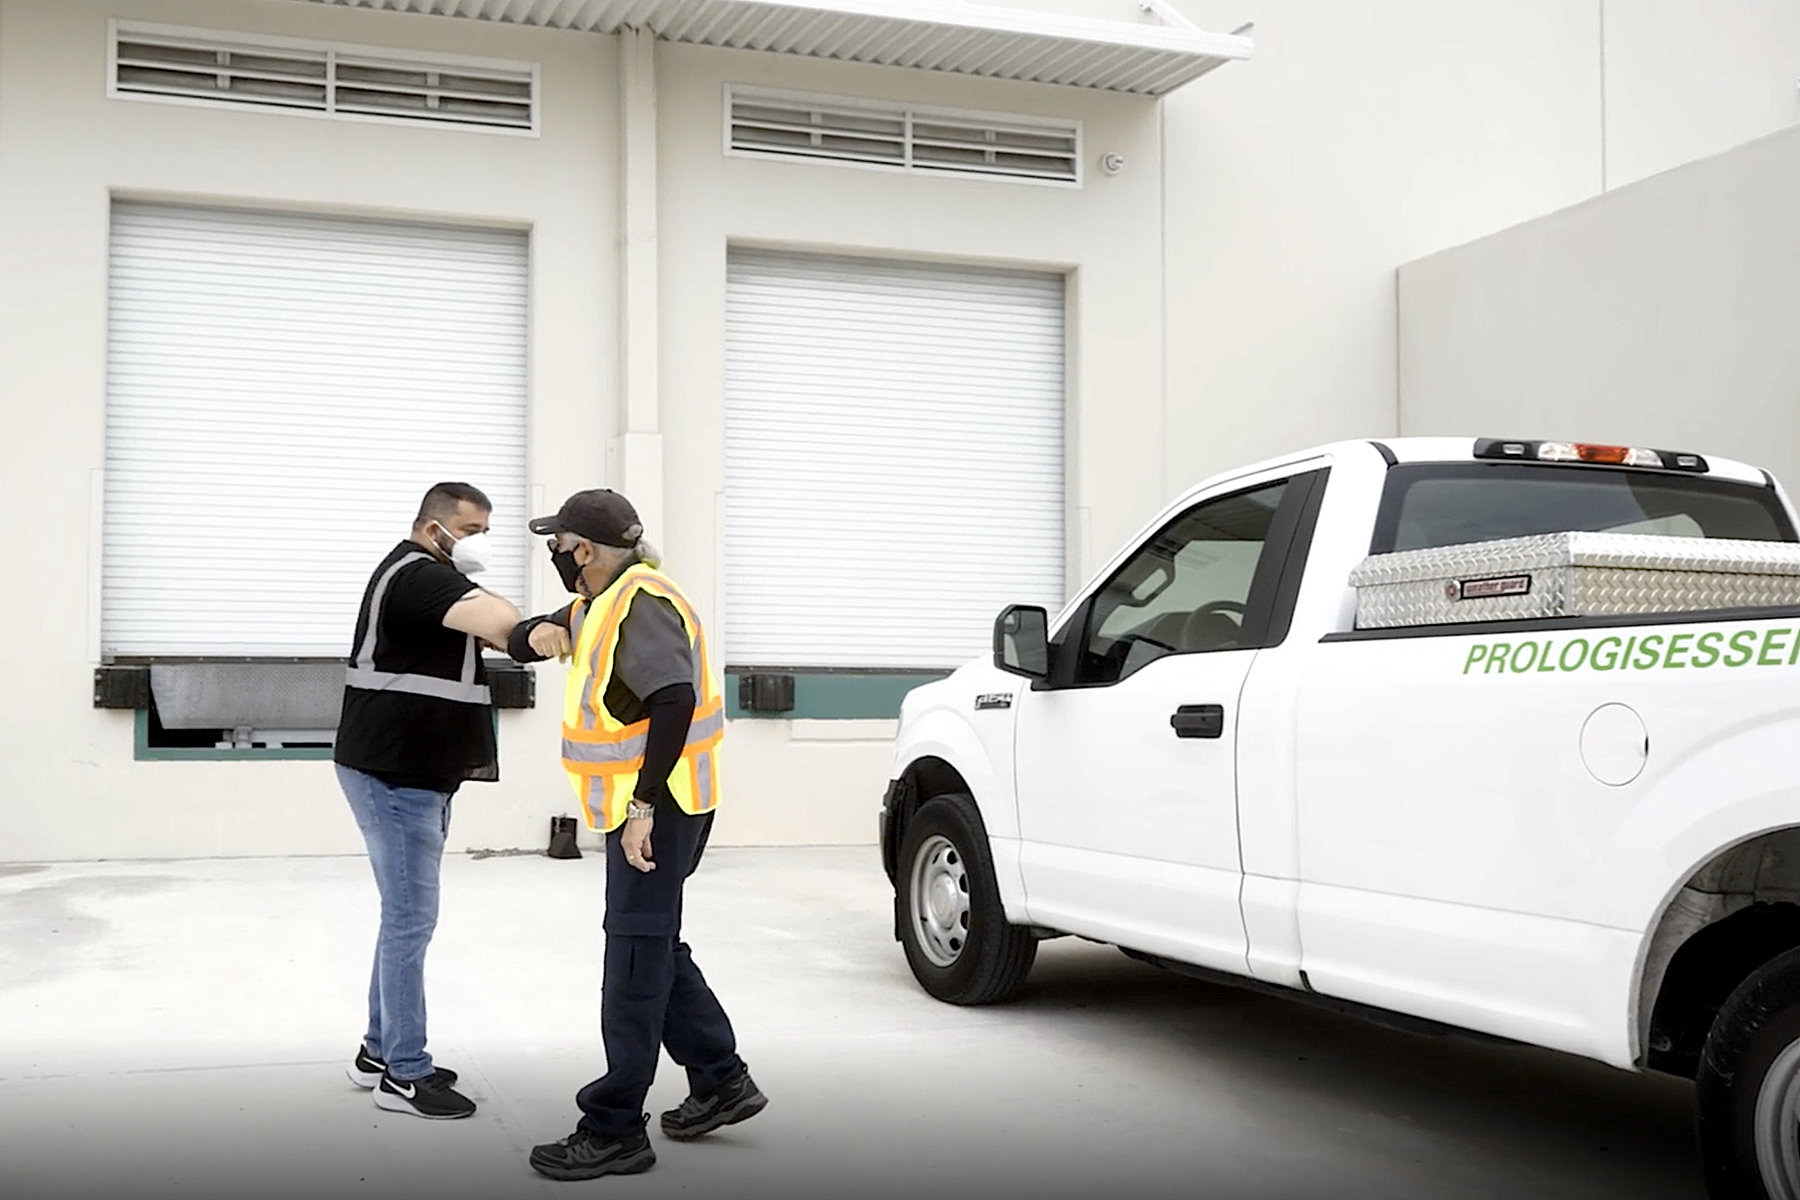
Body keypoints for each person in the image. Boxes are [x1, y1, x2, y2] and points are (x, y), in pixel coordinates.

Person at [508, 488, 766, 1181]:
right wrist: (532, 632)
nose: (556, 555)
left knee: (632, 962)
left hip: (659, 809)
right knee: (651, 943)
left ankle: (615, 1127)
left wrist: (644, 809)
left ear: (584, 550)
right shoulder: (605, 599)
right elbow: (536, 630)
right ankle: (719, 1079)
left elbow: (674, 699)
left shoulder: (640, 604)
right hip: (657, 805)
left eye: (559, 545)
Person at [334, 481, 524, 1120]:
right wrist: (560, 626)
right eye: (472, 532)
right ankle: (404, 1075)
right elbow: (503, 625)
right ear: (434, 526)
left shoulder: (427, 575)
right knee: (411, 920)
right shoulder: (418, 576)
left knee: (401, 917)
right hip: (397, 776)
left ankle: (377, 1051)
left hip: (409, 772)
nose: (479, 545)